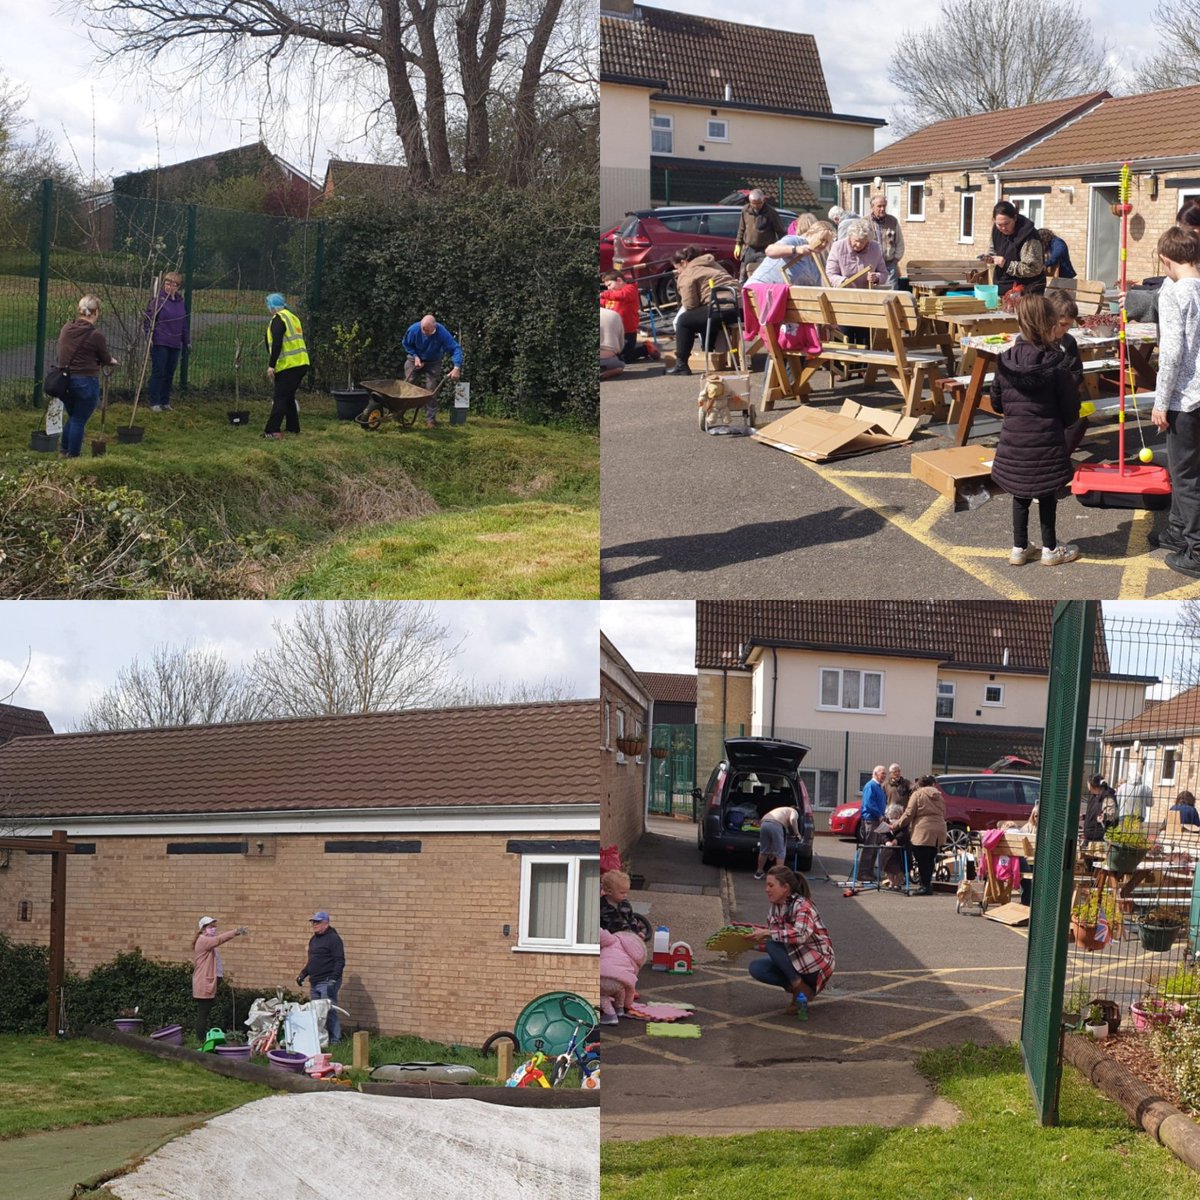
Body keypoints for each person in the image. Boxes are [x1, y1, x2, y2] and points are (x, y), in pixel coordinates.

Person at [989, 293, 1081, 567]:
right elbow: (1071, 409)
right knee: (1047, 493)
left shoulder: (1005, 360)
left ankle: (1019, 547)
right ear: (1050, 324)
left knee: (1019, 494)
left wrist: (1016, 416)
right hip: (1046, 439)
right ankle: (1050, 548)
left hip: (1014, 439)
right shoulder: (1057, 364)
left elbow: (996, 401)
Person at [1149, 226, 1200, 577]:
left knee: (1186, 478)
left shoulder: (1173, 296)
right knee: (1191, 471)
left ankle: (1196, 551)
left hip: (1185, 398)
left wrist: (1160, 402)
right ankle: (1178, 530)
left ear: (1166, 261)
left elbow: (1170, 355)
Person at [746, 866, 835, 1019]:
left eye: (771, 885)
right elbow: (775, 943)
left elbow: (801, 935)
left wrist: (767, 933)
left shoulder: (803, 906)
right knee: (756, 968)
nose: (766, 889)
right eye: (766, 885)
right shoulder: (774, 909)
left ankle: (800, 989)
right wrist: (745, 943)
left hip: (816, 962)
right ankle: (801, 990)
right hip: (797, 959)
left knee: (772, 943)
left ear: (785, 888)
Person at [55, 295, 119, 458]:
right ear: (96, 312)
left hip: (64, 382)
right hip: (85, 382)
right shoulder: (95, 335)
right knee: (79, 419)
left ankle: (63, 450)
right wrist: (112, 361)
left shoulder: (66, 328)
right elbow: (105, 358)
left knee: (74, 416)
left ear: (80, 310)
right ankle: (73, 455)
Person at [664, 245, 739, 377]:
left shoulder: (688, 272)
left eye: (677, 269)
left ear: (683, 263)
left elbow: (690, 305)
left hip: (721, 308)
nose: (678, 272)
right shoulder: (712, 264)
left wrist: (680, 282)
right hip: (739, 307)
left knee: (684, 321)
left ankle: (681, 364)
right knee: (703, 314)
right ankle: (708, 350)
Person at [1044, 288, 1087, 455]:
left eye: (1070, 324)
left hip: (1063, 396)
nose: (1066, 329)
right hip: (1042, 398)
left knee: (1079, 420)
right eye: (1063, 325)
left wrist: (1068, 388)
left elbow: (1077, 371)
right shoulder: (1038, 341)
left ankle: (1060, 456)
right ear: (1050, 320)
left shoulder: (1068, 341)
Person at [192, 915, 248, 1043]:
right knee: (203, 1013)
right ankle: (200, 1040)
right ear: (203, 929)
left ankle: (205, 1038)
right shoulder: (203, 940)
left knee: (205, 1011)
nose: (214, 929)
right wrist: (236, 932)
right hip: (204, 983)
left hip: (208, 982)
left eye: (214, 926)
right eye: (210, 927)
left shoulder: (207, 941)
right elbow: (219, 939)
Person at [402, 313, 463, 428]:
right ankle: (399, 413)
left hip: (433, 362)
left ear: (434, 327)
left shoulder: (441, 333)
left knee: (431, 390)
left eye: (428, 331)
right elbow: (406, 344)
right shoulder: (414, 329)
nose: (424, 333)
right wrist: (415, 356)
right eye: (423, 330)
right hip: (414, 359)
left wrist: (456, 367)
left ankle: (430, 420)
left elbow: (455, 349)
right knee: (407, 385)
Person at [262, 293, 309, 440]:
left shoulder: (278, 319)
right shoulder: (293, 317)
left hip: (289, 365)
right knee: (288, 396)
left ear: (272, 307)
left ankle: (272, 431)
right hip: (301, 363)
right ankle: (293, 428)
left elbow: (277, 343)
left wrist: (271, 365)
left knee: (280, 398)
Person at [892, 774, 947, 895]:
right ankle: (927, 884)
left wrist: (895, 825)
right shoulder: (939, 795)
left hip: (923, 829)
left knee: (921, 858)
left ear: (920, 784)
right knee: (930, 857)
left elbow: (908, 814)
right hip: (939, 829)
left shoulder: (918, 794)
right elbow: (944, 811)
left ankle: (925, 887)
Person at [297, 909, 345, 1043]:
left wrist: (333, 980)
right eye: (313, 922)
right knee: (316, 1013)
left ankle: (336, 1041)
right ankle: (319, 1040)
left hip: (328, 980)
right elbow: (313, 960)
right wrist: (303, 974)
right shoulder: (314, 939)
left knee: (328, 1011)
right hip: (315, 982)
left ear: (326, 923)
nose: (314, 925)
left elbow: (340, 961)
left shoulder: (333, 939)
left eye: (317, 922)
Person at [145, 271, 189, 412]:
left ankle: (165, 401)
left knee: (170, 373)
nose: (170, 287)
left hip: (175, 343)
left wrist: (186, 341)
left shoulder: (181, 303)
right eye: (168, 283)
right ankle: (155, 401)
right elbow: (148, 320)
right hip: (160, 341)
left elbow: (183, 324)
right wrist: (149, 337)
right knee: (159, 371)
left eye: (174, 284)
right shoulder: (157, 301)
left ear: (178, 287)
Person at [984, 201, 1045, 295]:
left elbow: (1034, 268)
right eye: (999, 224)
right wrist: (990, 258)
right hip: (1003, 287)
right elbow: (993, 250)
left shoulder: (1028, 236)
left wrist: (1006, 264)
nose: (1003, 228)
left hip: (1028, 292)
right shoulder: (996, 230)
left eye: (1007, 224)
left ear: (1015, 218)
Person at [745, 225, 835, 288]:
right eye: (822, 239)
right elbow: (769, 250)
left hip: (785, 301)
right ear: (810, 234)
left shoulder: (815, 263)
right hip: (760, 289)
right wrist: (796, 249)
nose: (823, 244)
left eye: (827, 242)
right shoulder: (795, 241)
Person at [733, 188, 787, 282]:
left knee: (762, 276)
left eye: (759, 203)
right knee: (743, 277)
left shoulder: (771, 213)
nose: (756, 206)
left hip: (764, 250)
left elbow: (781, 231)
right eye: (753, 203)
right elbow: (742, 228)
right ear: (750, 201)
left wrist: (782, 247)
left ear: (763, 200)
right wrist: (738, 244)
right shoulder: (745, 210)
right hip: (749, 249)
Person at [601, 271, 655, 363]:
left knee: (626, 358)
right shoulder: (612, 293)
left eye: (610, 285)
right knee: (615, 354)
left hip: (628, 330)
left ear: (619, 280)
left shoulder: (630, 289)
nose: (608, 288)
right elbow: (603, 303)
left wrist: (604, 294)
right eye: (607, 286)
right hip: (614, 330)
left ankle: (646, 348)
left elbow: (623, 296)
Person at [599, 928, 646, 1024]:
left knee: (600, 993)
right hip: (622, 979)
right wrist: (627, 1004)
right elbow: (630, 986)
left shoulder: (612, 940)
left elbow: (600, 933)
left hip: (604, 974)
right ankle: (620, 1009)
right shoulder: (633, 957)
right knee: (620, 988)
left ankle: (610, 1015)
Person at [826, 220, 886, 289]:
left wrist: (876, 277)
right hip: (844, 292)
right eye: (856, 240)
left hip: (867, 293)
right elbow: (830, 274)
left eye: (862, 242)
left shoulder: (875, 247)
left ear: (868, 241)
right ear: (850, 236)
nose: (858, 245)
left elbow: (884, 273)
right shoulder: (838, 247)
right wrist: (843, 281)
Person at [856, 764, 888, 882]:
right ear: (875, 774)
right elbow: (869, 803)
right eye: (882, 773)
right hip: (871, 819)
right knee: (869, 846)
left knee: (875, 847)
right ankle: (863, 873)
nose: (884, 776)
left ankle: (869, 872)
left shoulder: (879, 787)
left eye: (885, 773)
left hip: (878, 820)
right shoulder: (871, 786)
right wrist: (879, 814)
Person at [867, 193, 904, 287]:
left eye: (884, 206)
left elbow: (900, 243)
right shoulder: (865, 222)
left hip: (889, 265)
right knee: (874, 294)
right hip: (872, 266)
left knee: (891, 294)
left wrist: (895, 260)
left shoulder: (893, 221)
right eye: (879, 206)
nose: (882, 209)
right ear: (872, 207)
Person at [754, 804, 800, 879]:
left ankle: (759, 872)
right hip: (776, 824)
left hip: (764, 823)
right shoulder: (794, 811)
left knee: (764, 850)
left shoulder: (782, 809)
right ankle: (779, 875)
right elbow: (793, 820)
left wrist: (772, 852)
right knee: (780, 852)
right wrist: (797, 834)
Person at [601, 868, 648, 940]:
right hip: (610, 939)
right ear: (609, 891)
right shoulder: (601, 906)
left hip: (627, 936)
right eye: (622, 893)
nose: (625, 895)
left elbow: (631, 920)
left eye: (626, 892)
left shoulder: (625, 904)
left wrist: (637, 932)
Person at [878, 802, 909, 891]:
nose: (893, 820)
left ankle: (898, 883)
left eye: (896, 818)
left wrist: (896, 840)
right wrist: (886, 841)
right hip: (888, 851)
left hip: (900, 851)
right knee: (888, 868)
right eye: (891, 818)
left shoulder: (903, 825)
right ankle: (891, 882)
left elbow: (904, 834)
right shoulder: (885, 823)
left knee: (899, 870)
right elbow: (882, 834)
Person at [1082, 773, 1119, 844]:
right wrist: (1084, 817)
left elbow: (1112, 814)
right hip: (1091, 836)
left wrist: (1104, 817)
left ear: (1093, 785)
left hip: (1100, 838)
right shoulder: (1095, 796)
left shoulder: (1107, 797)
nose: (1087, 786)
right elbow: (1095, 813)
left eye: (1088, 783)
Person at [600, 305, 626, 381]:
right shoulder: (614, 315)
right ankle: (606, 371)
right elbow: (621, 343)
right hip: (609, 359)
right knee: (621, 365)